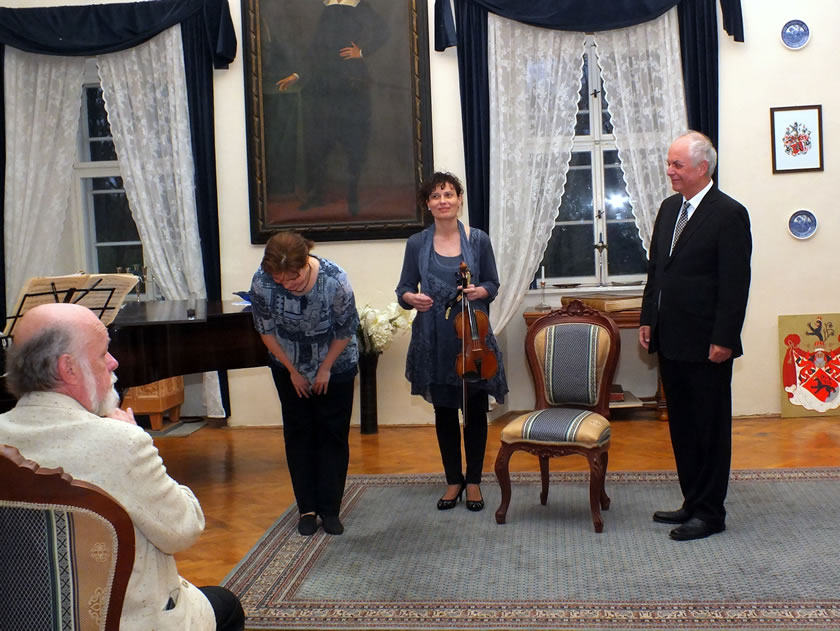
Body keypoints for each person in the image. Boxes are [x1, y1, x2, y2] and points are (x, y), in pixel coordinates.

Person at [0, 302, 245, 631]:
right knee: (226, 604)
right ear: (68, 368)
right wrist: (137, 438)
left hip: (24, 618)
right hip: (123, 620)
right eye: (103, 353)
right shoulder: (120, 442)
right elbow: (184, 530)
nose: (114, 362)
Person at [639, 131, 752, 541]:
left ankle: (710, 513)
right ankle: (692, 501)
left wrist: (725, 338)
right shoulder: (670, 208)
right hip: (671, 340)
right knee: (684, 428)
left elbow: (735, 284)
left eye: (677, 164)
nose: (669, 171)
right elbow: (657, 270)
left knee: (709, 429)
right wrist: (648, 318)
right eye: (669, 163)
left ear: (702, 168)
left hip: (708, 345)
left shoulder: (729, 213)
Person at [396, 172, 508, 512]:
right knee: (444, 411)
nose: (442, 200)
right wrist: (411, 298)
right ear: (427, 204)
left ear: (459, 199)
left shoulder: (478, 240)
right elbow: (404, 289)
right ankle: (453, 480)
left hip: (473, 337)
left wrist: (480, 291)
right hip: (434, 338)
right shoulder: (416, 244)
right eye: (435, 196)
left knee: (474, 411)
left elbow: (493, 283)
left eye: (448, 194)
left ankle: (473, 481)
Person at [250, 231, 359, 536]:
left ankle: (330, 510)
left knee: (332, 435)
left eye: (293, 278)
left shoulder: (335, 280)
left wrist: (325, 368)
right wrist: (292, 371)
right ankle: (307, 509)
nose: (288, 285)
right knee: (299, 434)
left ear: (306, 261)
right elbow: (265, 331)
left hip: (336, 364)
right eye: (280, 280)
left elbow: (346, 328)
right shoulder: (262, 282)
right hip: (289, 363)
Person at [275, 0, 387, 216]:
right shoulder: (327, 7)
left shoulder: (359, 5)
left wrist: (362, 52)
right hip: (322, 86)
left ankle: (353, 197)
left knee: (354, 142)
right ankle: (316, 195)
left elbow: (384, 31)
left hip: (351, 85)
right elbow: (316, 48)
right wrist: (297, 74)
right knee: (318, 143)